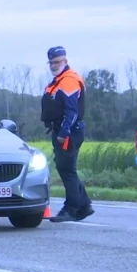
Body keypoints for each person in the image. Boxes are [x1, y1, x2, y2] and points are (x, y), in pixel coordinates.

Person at [40, 46, 94, 223]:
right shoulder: (59, 80)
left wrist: (64, 132)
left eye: (57, 62)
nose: (54, 65)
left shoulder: (68, 80)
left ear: (65, 61)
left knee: (67, 170)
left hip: (68, 133)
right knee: (66, 169)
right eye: (51, 62)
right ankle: (84, 205)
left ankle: (71, 208)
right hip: (62, 131)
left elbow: (72, 112)